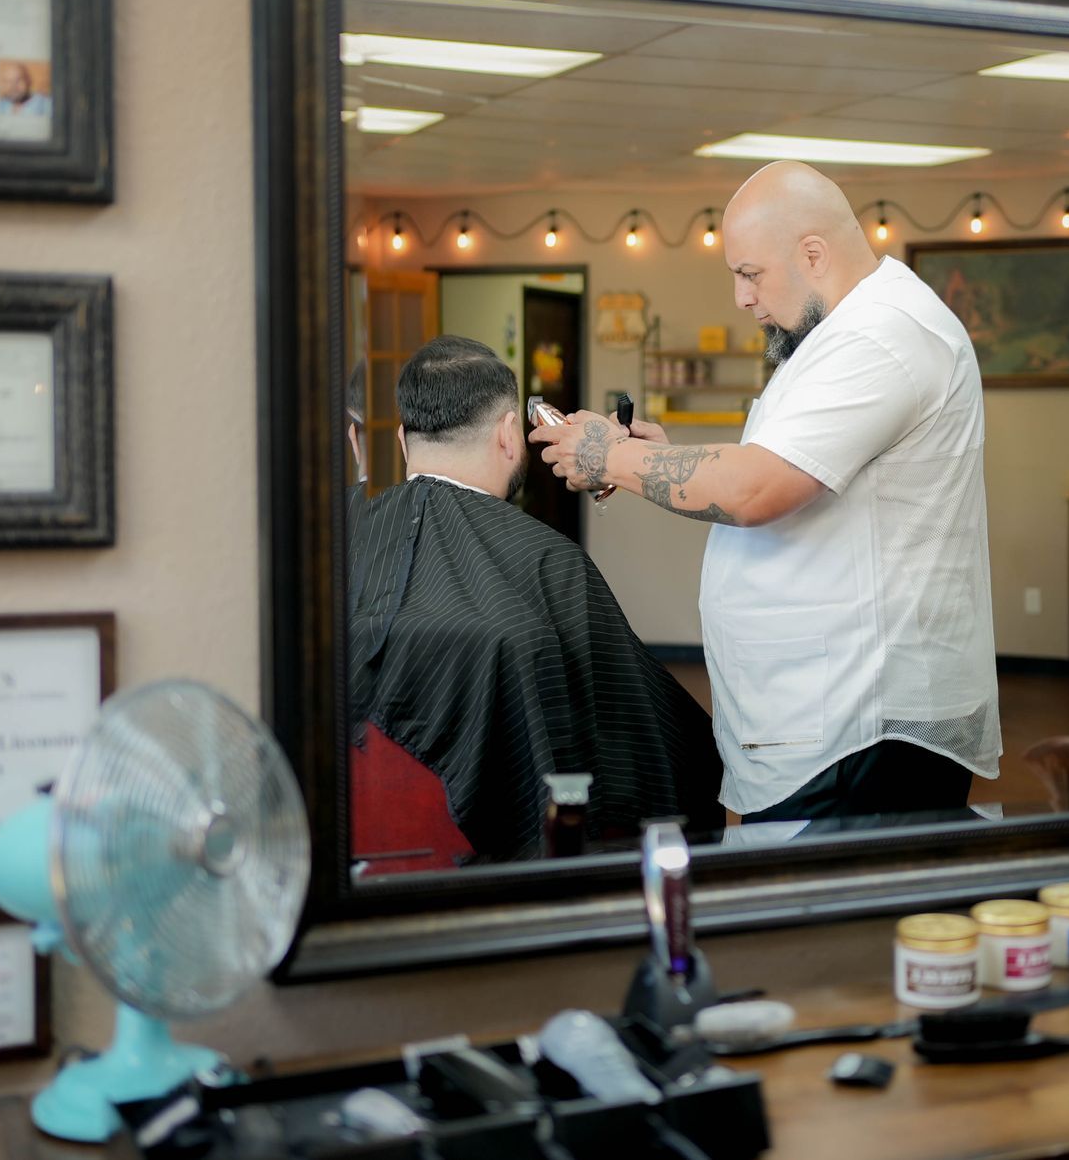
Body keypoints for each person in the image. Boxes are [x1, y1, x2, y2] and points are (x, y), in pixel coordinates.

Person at [531, 161, 1000, 822]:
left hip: (865, 724)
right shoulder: (830, 337)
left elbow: (755, 490)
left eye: (749, 274)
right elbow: (763, 471)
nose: (742, 299)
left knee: (828, 922)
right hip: (828, 714)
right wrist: (647, 458)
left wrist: (612, 454)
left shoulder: (882, 337)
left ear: (812, 252)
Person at [348, 336, 722, 861]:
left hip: (355, 847)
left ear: (406, 441)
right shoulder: (549, 559)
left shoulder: (335, 541)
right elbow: (647, 730)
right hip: (516, 851)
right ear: (509, 435)